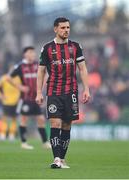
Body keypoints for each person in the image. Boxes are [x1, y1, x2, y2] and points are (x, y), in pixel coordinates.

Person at [36, 17, 90, 168]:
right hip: (53, 91)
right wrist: (38, 92)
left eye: (68, 27)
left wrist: (86, 89)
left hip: (71, 91)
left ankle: (63, 159)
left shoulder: (75, 47)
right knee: (55, 123)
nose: (66, 30)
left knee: (67, 125)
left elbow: (83, 69)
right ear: (55, 29)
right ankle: (57, 159)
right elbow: (40, 71)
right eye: (62, 28)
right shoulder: (46, 48)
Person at [7, 46, 51, 150]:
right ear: (25, 54)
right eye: (30, 53)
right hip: (25, 98)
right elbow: (8, 78)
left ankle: (44, 142)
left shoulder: (38, 64)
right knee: (23, 119)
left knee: (40, 119)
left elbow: (46, 74)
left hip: (36, 98)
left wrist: (43, 85)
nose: (32, 54)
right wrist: (20, 87)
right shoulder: (20, 66)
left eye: (33, 53)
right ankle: (23, 142)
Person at [0, 74, 21, 141]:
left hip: (15, 101)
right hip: (8, 101)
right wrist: (0, 95)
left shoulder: (18, 78)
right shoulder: (5, 78)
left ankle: (10, 135)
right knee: (6, 118)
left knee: (12, 119)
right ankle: (4, 135)